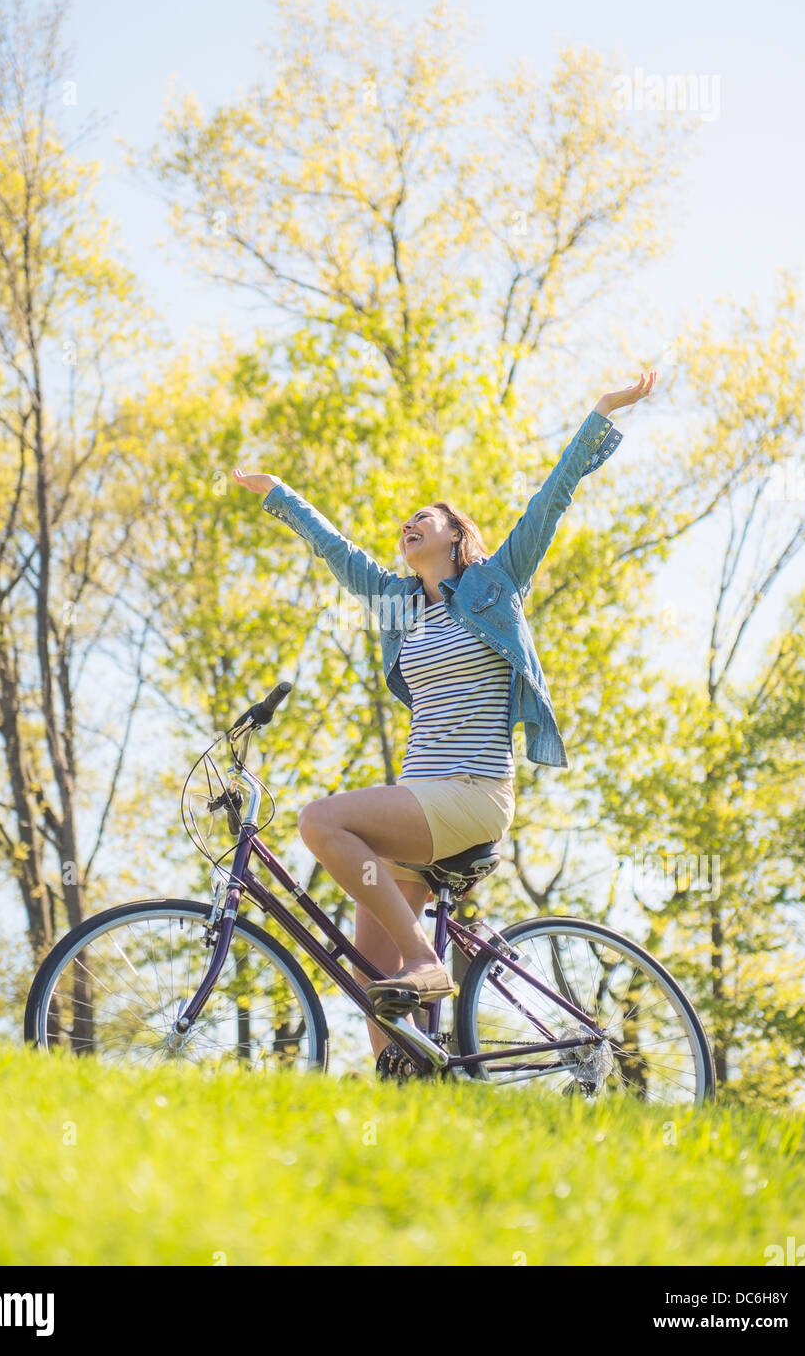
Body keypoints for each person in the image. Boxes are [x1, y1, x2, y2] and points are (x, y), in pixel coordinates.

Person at [234, 371, 655, 1062]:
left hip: (471, 795)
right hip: (420, 804)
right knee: (371, 977)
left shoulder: (493, 585)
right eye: (408, 521)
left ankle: (426, 964)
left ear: (458, 538)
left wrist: (600, 410)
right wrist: (280, 496)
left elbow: (550, 500)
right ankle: (409, 1090)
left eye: (426, 518)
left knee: (319, 821)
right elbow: (335, 550)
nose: (411, 524)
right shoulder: (401, 607)